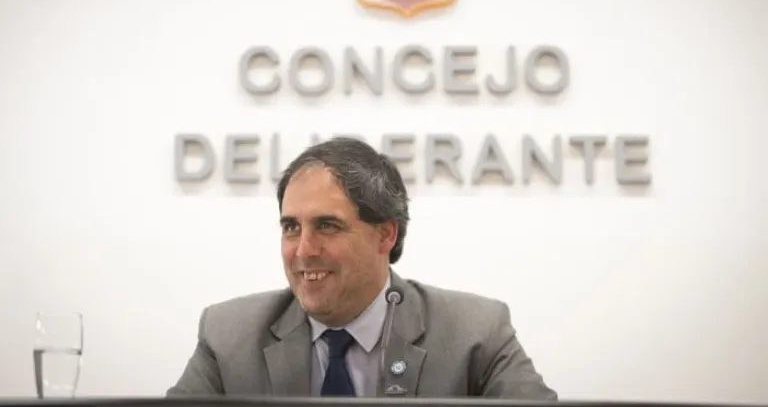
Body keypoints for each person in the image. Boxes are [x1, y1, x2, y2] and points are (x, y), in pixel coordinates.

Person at [167, 137, 557, 399]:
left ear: (385, 234)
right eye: (291, 228)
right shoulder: (227, 337)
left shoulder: (476, 333)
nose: (303, 250)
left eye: (327, 226)